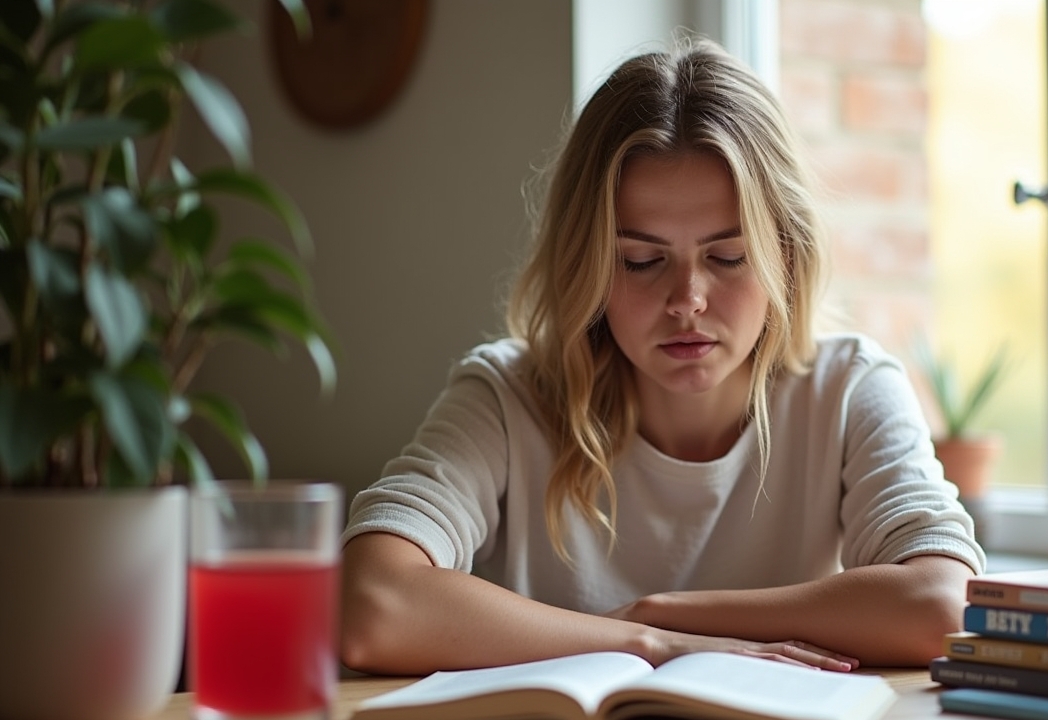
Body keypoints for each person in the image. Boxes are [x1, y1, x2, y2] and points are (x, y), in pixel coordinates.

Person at [339, 38, 985, 677]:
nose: (687, 300)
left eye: (727, 257)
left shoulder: (848, 389)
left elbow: (942, 605)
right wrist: (644, 642)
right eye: (642, 261)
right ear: (587, 263)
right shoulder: (508, 397)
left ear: (784, 256)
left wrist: (670, 613)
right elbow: (372, 604)